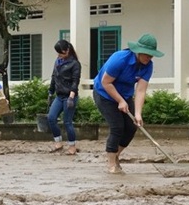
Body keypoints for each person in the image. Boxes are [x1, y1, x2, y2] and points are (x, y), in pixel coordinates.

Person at [93, 33, 162, 174]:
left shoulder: (148, 66)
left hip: (125, 94)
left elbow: (141, 90)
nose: (149, 58)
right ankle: (111, 163)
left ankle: (116, 155)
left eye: (152, 55)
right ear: (139, 51)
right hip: (104, 93)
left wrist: (137, 113)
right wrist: (119, 101)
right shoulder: (120, 59)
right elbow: (106, 82)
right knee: (117, 127)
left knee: (131, 127)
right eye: (147, 54)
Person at [47, 39, 82, 155]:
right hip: (59, 96)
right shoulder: (58, 61)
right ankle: (58, 142)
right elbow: (54, 77)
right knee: (51, 118)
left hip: (69, 96)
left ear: (67, 51)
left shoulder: (75, 64)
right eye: (57, 53)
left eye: (60, 53)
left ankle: (72, 146)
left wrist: (71, 97)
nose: (59, 55)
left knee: (67, 121)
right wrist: (50, 92)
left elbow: (75, 81)